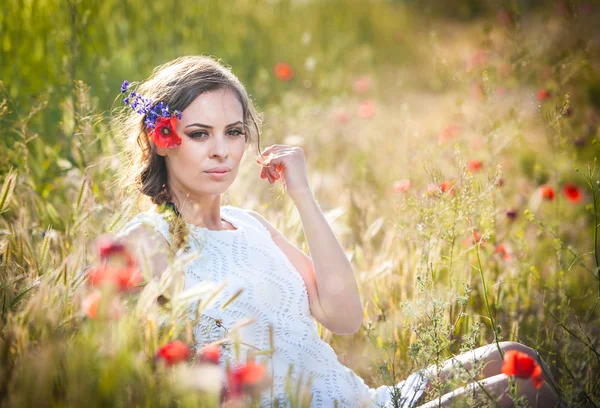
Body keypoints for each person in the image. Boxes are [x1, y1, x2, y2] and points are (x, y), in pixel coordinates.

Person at [113, 56, 561, 407]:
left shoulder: (251, 226)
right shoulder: (150, 239)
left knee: (515, 355)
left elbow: (344, 316)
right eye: (198, 134)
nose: (221, 151)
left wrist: (302, 194)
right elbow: (141, 371)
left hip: (356, 398)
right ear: (161, 138)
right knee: (526, 391)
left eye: (233, 132)